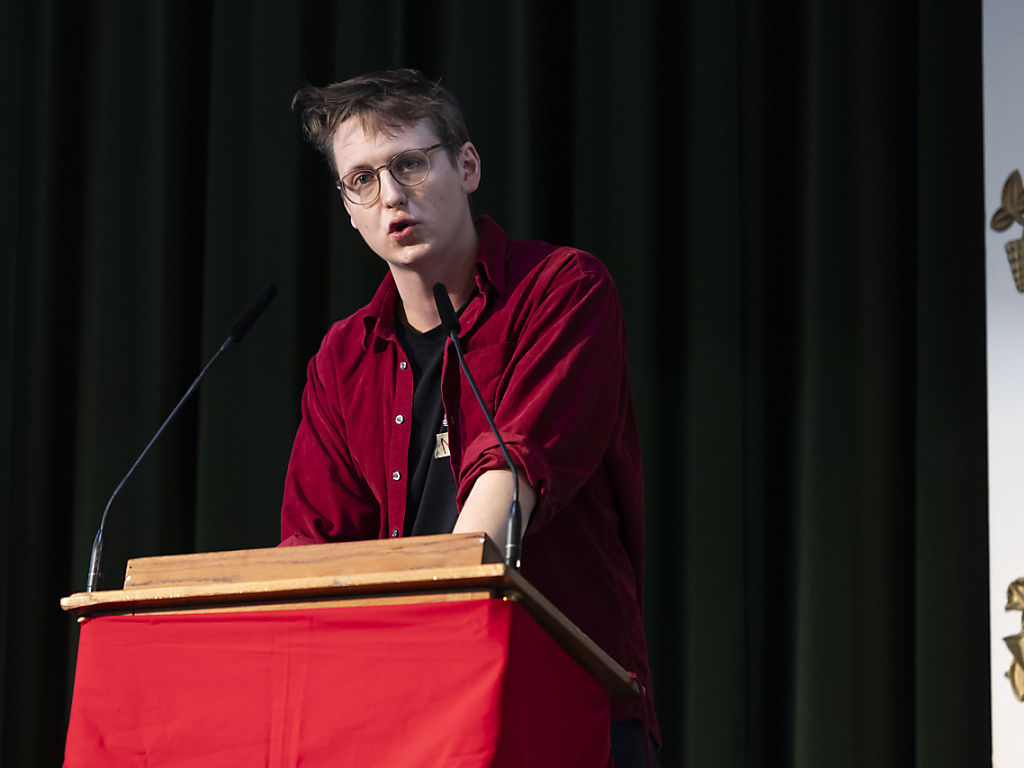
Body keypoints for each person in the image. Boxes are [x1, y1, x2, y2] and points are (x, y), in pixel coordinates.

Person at [280, 69, 660, 765]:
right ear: (348, 208)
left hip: (561, 708)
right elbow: (312, 552)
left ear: (467, 166)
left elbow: (508, 480)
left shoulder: (564, 290)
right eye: (361, 180)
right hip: (409, 720)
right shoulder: (342, 358)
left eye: (409, 164)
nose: (390, 196)